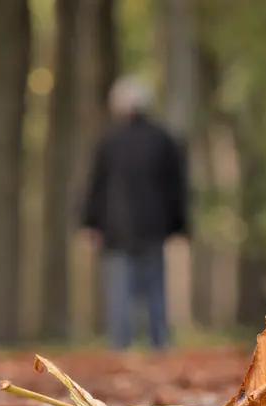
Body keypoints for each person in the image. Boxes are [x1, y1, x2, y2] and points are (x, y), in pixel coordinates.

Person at [80, 76, 189, 351]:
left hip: (116, 228)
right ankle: (159, 342)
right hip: (154, 226)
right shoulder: (163, 140)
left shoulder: (109, 141)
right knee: (155, 287)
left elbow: (96, 185)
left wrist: (90, 223)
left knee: (119, 290)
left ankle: (120, 345)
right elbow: (176, 187)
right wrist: (179, 226)